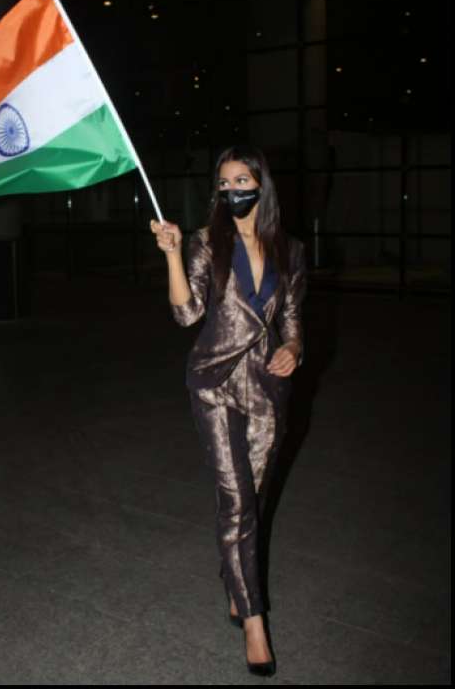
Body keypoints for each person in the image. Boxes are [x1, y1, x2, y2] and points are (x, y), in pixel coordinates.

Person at [150, 144, 306, 678]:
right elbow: (186, 313)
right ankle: (254, 620)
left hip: (267, 389)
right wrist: (172, 253)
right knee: (237, 500)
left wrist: (295, 350)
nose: (232, 189)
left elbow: (290, 316)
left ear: (261, 184)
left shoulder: (290, 249)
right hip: (214, 384)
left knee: (253, 498)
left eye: (242, 179)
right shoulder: (204, 244)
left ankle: (234, 577)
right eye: (223, 181)